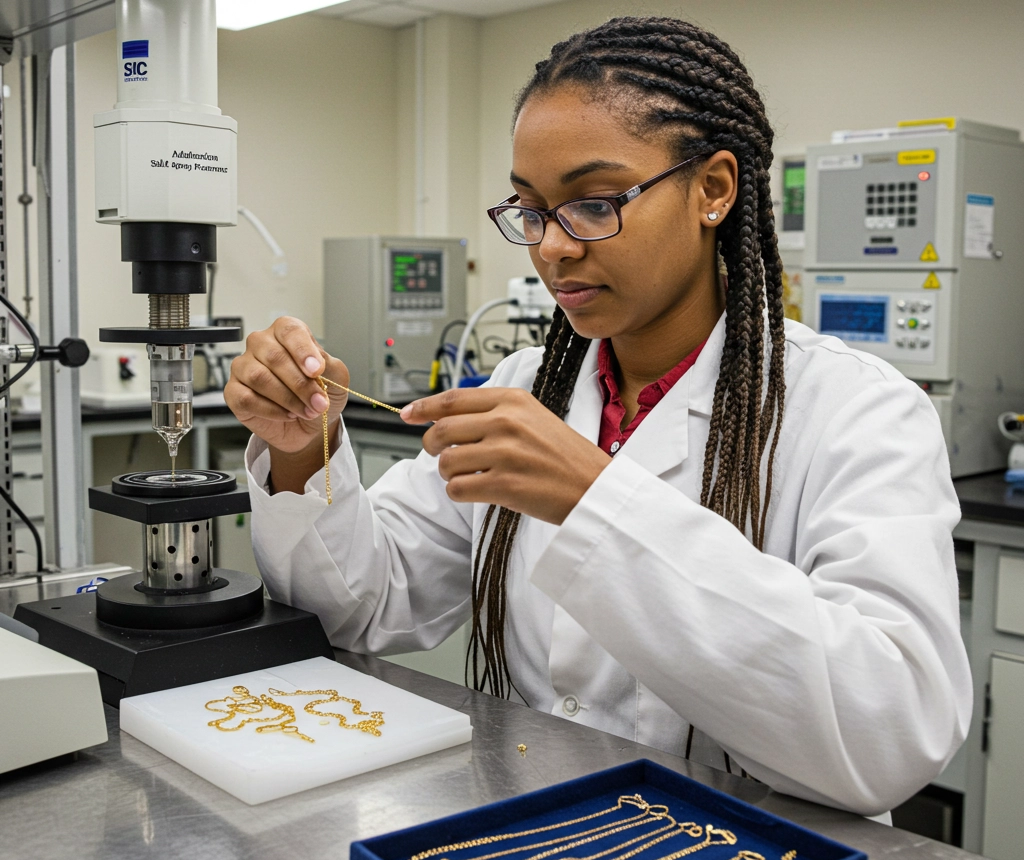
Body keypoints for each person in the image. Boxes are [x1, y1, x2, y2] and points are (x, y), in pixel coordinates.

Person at [225, 16, 971, 817]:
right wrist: (304, 451)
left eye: (592, 203)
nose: (551, 247)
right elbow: (364, 605)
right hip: (539, 848)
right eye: (532, 210)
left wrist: (597, 499)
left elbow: (889, 730)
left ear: (714, 189)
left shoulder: (857, 410)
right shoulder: (529, 388)